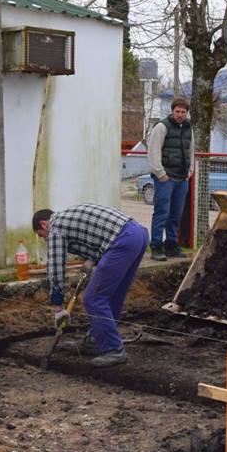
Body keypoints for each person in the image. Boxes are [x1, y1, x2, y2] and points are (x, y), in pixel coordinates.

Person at [33, 203, 148, 368]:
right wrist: (91, 261)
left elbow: (56, 268)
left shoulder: (55, 226)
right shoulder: (69, 218)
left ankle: (114, 349)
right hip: (138, 235)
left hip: (123, 240)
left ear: (44, 224)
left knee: (93, 298)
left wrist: (58, 306)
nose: (45, 239)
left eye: (41, 235)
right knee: (112, 296)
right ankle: (95, 340)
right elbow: (97, 241)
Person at [147, 96, 194, 261]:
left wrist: (190, 172)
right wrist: (161, 174)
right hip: (165, 179)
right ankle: (156, 246)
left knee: (176, 214)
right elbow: (153, 152)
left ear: (187, 113)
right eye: (177, 111)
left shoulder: (189, 128)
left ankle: (172, 244)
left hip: (182, 178)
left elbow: (191, 151)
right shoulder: (161, 127)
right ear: (172, 111)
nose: (180, 114)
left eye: (183, 112)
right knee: (162, 212)